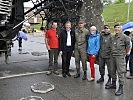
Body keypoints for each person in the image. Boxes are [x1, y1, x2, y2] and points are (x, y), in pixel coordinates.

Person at [105, 23, 131, 96]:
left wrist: (124, 54)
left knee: (120, 72)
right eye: (116, 28)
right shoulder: (112, 37)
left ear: (121, 29)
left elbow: (128, 47)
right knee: (112, 71)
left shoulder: (125, 37)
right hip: (112, 57)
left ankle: (121, 88)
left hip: (120, 57)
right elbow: (110, 46)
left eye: (118, 28)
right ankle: (113, 84)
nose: (117, 29)